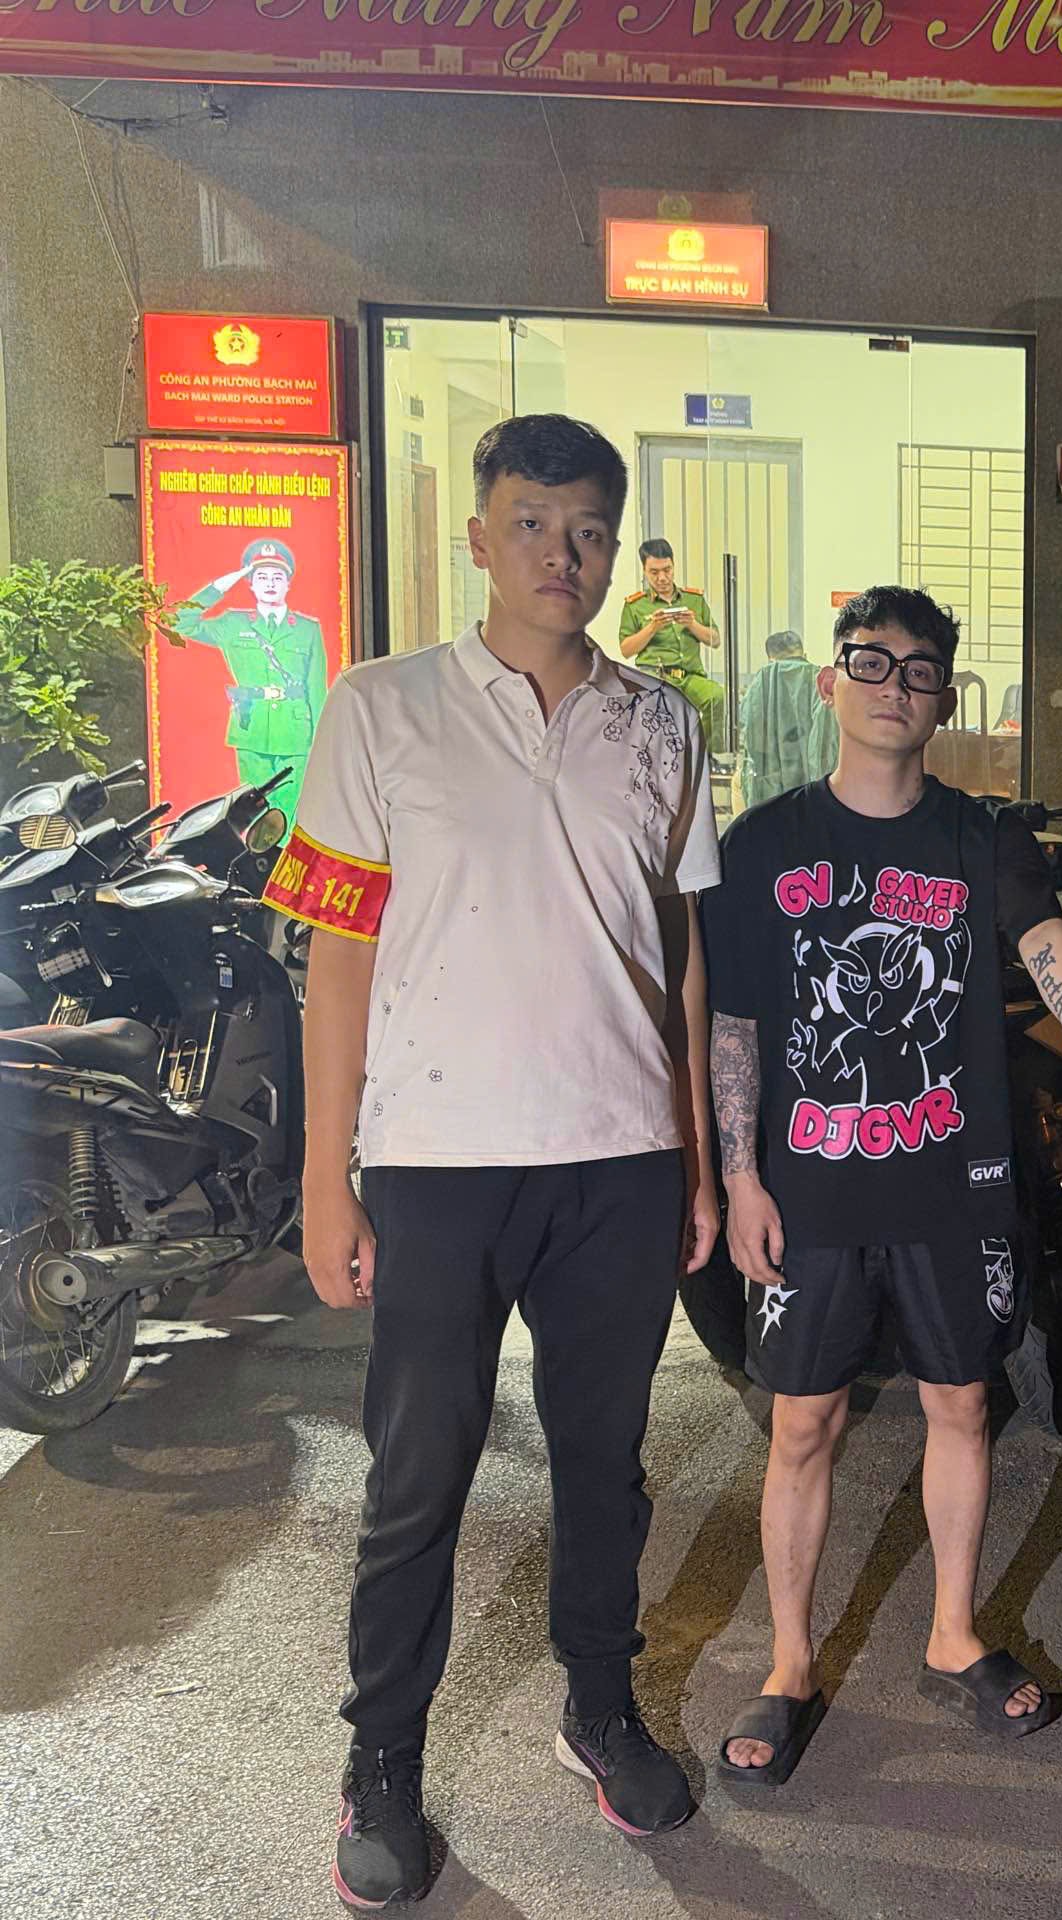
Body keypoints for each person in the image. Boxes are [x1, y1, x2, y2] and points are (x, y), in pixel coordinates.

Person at [268, 416, 725, 1910]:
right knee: (419, 1474)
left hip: (621, 1157)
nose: (560, 555)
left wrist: (698, 1157)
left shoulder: (662, 722)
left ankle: (600, 1705)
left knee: (604, 1464)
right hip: (437, 1158)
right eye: (530, 523)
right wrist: (328, 1177)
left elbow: (681, 948)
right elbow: (338, 958)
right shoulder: (380, 707)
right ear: (477, 537)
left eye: (587, 528)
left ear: (616, 546)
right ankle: (381, 1760)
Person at [705, 584, 1062, 1786]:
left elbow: (1045, 938)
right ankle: (789, 1663)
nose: (893, 686)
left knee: (962, 1404)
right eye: (871, 661)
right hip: (810, 1187)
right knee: (804, 1422)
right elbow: (736, 1020)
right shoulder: (763, 844)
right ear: (829, 682)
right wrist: (740, 1176)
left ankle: (953, 1633)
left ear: (943, 699)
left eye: (918, 671)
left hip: (954, 1179)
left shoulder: (979, 837)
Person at [165, 535, 331, 820]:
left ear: (288, 584)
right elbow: (179, 622)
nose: (270, 584)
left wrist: (323, 742)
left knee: (292, 813)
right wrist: (221, 586)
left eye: (277, 577)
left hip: (296, 733)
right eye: (261, 577)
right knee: (255, 813)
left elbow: (316, 690)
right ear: (250, 583)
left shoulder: (307, 629)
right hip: (251, 729)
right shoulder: (233, 623)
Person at [617, 536, 726, 734]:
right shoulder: (635, 605)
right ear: (644, 571)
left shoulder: (694, 600)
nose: (662, 578)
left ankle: (709, 751)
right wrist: (652, 628)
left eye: (667, 570)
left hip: (690, 677)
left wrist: (692, 624)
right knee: (654, 707)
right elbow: (626, 650)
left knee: (716, 697)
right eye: (654, 572)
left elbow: (716, 640)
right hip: (655, 676)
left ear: (674, 566)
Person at [738, 629, 830, 810]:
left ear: (770, 658)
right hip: (812, 787)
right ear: (804, 654)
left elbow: (750, 735)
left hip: (769, 785)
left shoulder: (761, 680)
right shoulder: (820, 680)